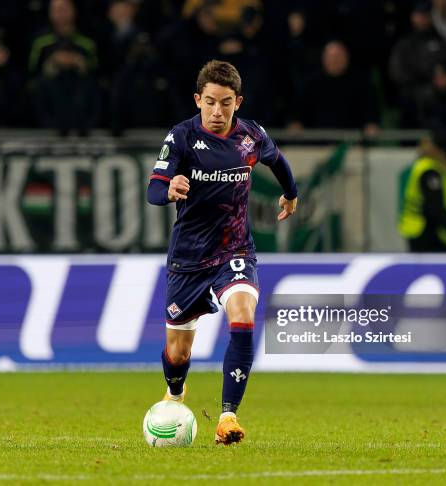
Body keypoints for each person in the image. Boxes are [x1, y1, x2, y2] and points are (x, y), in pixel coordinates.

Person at [146, 60, 297, 445]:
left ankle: (228, 417)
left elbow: (278, 162)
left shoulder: (251, 136)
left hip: (235, 251)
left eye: (225, 103)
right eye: (210, 102)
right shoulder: (180, 138)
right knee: (177, 354)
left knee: (244, 317)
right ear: (198, 99)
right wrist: (170, 189)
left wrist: (291, 194)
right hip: (188, 259)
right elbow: (153, 190)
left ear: (238, 102)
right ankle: (176, 394)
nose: (217, 111)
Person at [399, 129, 446, 252]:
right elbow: (435, 208)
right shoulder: (430, 171)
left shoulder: (432, 167)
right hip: (428, 236)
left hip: (429, 233)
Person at [389, 0, 446, 128]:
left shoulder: (442, 41)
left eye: (426, 14)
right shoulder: (404, 44)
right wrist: (425, 78)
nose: (422, 19)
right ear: (412, 17)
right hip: (411, 99)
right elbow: (397, 73)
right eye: (419, 15)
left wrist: (442, 79)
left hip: (437, 99)